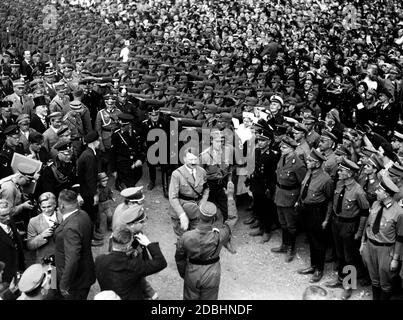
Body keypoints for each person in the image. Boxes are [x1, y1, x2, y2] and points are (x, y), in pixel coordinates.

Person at [325, 158, 370, 300]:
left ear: (350, 173)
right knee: (339, 253)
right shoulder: (339, 184)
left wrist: (359, 232)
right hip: (336, 223)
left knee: (349, 256)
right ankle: (340, 279)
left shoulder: (358, 191)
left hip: (349, 226)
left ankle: (348, 285)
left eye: (342, 170)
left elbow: (364, 213)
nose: (339, 172)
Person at [175, 201, 232, 300]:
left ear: (198, 215)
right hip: (212, 273)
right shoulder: (220, 235)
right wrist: (230, 198)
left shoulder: (186, 237)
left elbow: (179, 258)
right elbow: (230, 222)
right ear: (213, 219)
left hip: (192, 272)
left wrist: (185, 273)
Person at [95, 223, 167, 300]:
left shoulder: (99, 259)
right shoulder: (134, 265)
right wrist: (148, 243)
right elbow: (161, 263)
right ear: (128, 246)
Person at [360, 175, 403, 300]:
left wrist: (395, 259)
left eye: (379, 190)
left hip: (385, 251)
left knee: (385, 284)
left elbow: (400, 238)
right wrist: (363, 244)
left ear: (387, 194)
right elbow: (368, 225)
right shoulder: (375, 204)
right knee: (374, 280)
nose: (375, 191)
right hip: (370, 247)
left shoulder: (399, 213)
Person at [296, 149, 334, 283]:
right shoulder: (309, 172)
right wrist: (299, 201)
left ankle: (319, 269)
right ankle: (313, 265)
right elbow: (304, 188)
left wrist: (326, 219)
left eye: (310, 161)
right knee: (311, 239)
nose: (307, 162)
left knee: (319, 242)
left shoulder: (326, 179)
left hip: (317, 212)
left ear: (317, 163)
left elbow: (330, 200)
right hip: (305, 210)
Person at [54, 189, 95, 300]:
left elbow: (72, 259)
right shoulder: (83, 214)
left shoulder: (70, 228)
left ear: (61, 206)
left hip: (75, 281)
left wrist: (63, 285)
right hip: (86, 272)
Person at [271, 136, 307, 262]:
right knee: (282, 222)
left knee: (291, 225)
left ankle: (290, 248)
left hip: (290, 196)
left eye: (284, 147)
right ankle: (284, 245)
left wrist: (298, 200)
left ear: (292, 149)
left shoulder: (298, 164)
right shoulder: (283, 158)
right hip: (280, 193)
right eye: (281, 146)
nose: (281, 148)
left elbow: (302, 183)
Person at [169, 147, 210, 237]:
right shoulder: (177, 174)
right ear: (184, 159)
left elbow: (206, 189)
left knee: (196, 236)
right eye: (190, 159)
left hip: (196, 210)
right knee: (183, 238)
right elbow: (173, 197)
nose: (193, 162)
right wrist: (182, 215)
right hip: (182, 208)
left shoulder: (202, 171)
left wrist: (203, 203)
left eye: (195, 159)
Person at [77, 131, 102, 244]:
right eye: (98, 140)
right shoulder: (89, 156)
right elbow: (90, 178)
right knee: (89, 216)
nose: (99, 142)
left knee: (92, 214)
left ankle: (92, 234)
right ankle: (90, 239)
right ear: (94, 142)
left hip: (86, 190)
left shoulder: (88, 153)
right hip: (87, 192)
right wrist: (95, 194)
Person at [111, 113, 145, 190]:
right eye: (121, 125)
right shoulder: (116, 134)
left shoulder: (137, 132)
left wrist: (141, 159)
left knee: (138, 175)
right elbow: (112, 153)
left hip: (135, 160)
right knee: (130, 185)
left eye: (124, 126)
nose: (121, 128)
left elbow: (142, 148)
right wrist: (113, 169)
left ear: (129, 124)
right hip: (123, 161)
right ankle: (133, 197)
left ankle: (120, 181)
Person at [27, 192, 62, 263]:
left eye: (49, 206)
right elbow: (30, 245)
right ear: (39, 206)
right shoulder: (33, 221)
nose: (46, 210)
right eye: (43, 207)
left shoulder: (63, 216)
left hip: (63, 258)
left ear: (55, 204)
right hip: (45, 261)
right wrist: (42, 236)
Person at [0, 199, 25, 284]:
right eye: (3, 216)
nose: (8, 218)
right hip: (5, 276)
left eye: (9, 214)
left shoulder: (10, 222)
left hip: (19, 268)